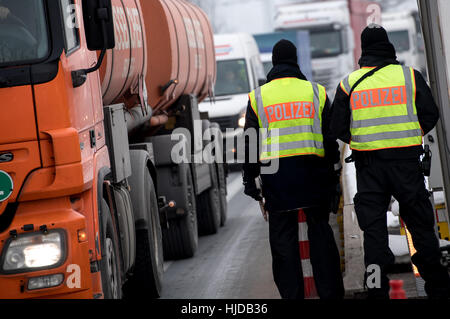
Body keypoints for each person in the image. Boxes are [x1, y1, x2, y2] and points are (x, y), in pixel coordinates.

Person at [330, 24, 450, 299]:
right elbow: (430, 114)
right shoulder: (409, 76)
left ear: (364, 49)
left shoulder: (349, 84)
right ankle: (440, 288)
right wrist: (410, 135)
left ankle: (376, 290)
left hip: (369, 167)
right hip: (406, 164)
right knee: (421, 230)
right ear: (388, 46)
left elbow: (337, 127)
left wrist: (361, 140)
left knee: (374, 234)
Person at [242, 39, 345, 299]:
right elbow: (330, 139)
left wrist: (250, 182)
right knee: (321, 238)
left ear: (274, 63)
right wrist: (334, 177)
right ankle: (330, 294)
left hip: (277, 181)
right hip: (314, 177)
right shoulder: (316, 92)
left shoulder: (258, 97)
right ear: (295, 61)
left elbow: (250, 143)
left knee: (283, 246)